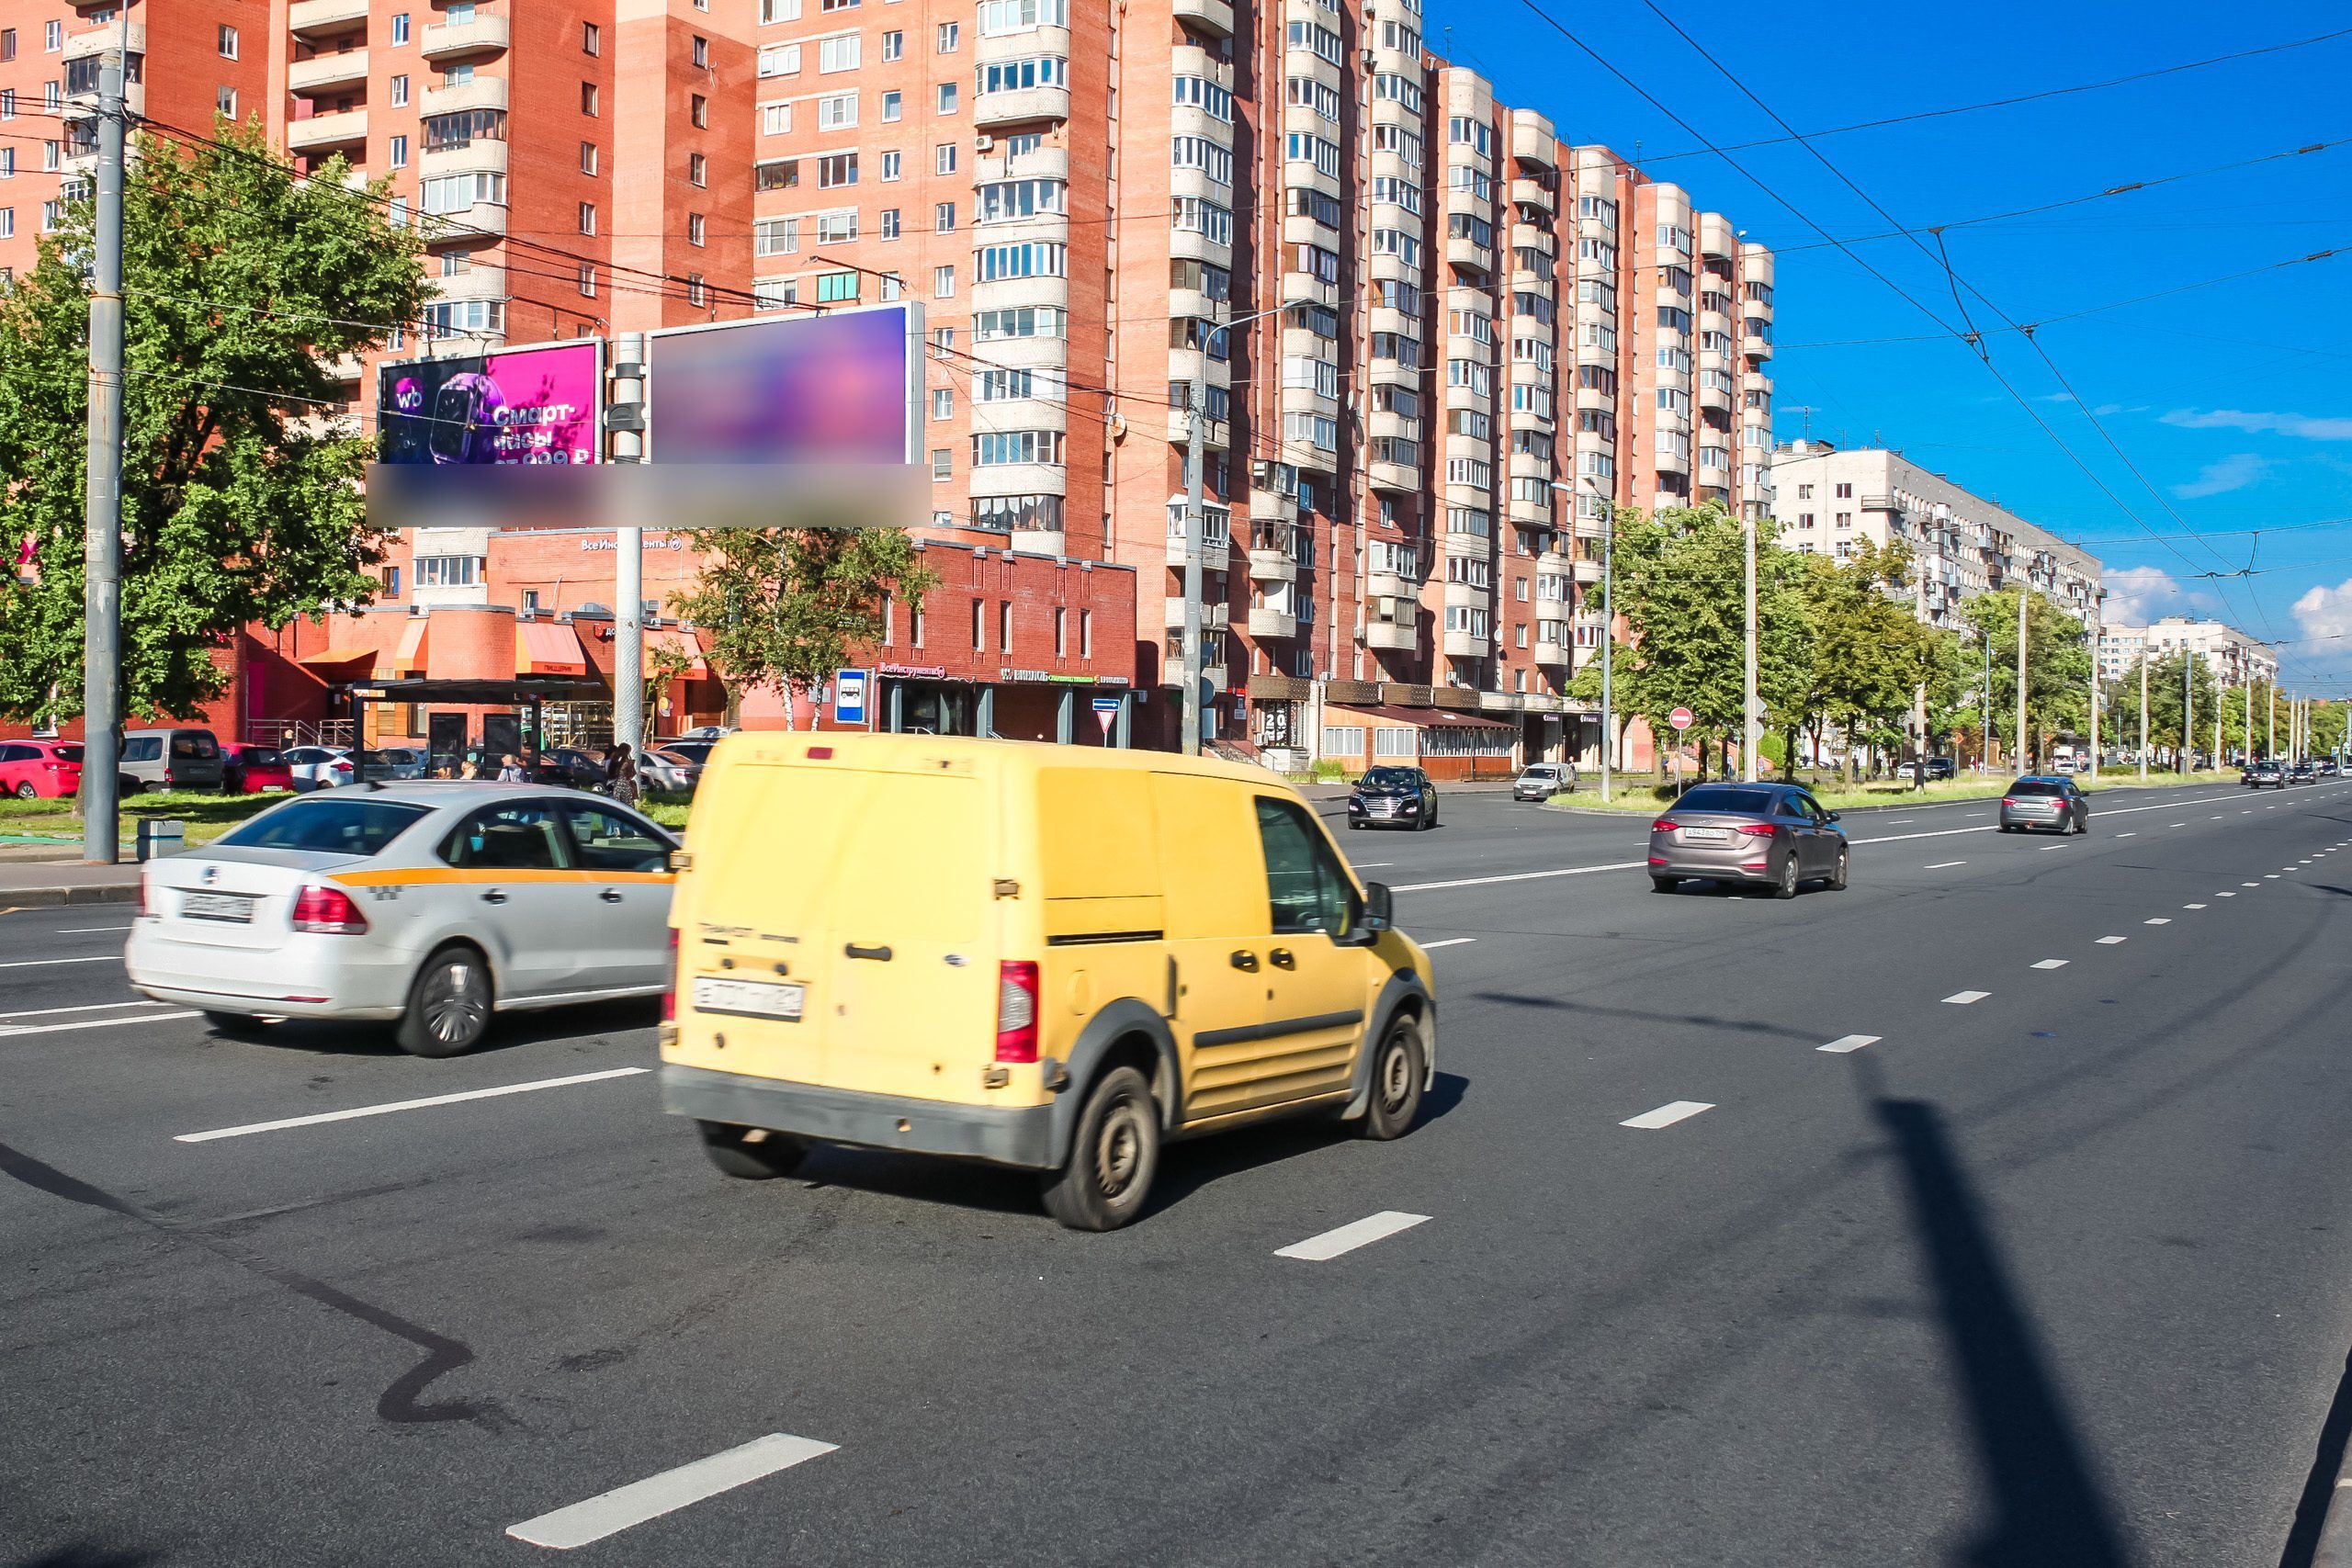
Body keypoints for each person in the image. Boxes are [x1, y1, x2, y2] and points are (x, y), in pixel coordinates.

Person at [606, 743, 639, 807]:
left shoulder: (621, 761)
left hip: (620, 786)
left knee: (621, 807)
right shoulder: (621, 762)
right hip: (621, 786)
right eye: (627, 751)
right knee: (625, 807)